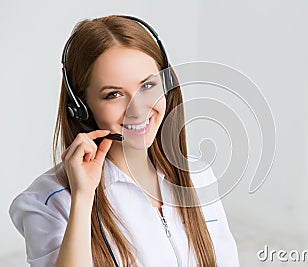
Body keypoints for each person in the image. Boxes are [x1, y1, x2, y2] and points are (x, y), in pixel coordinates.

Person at [8, 15, 240, 267]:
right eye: (114, 94)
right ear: (81, 108)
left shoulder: (197, 174)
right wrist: (83, 199)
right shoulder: (47, 201)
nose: (137, 109)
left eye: (148, 85)